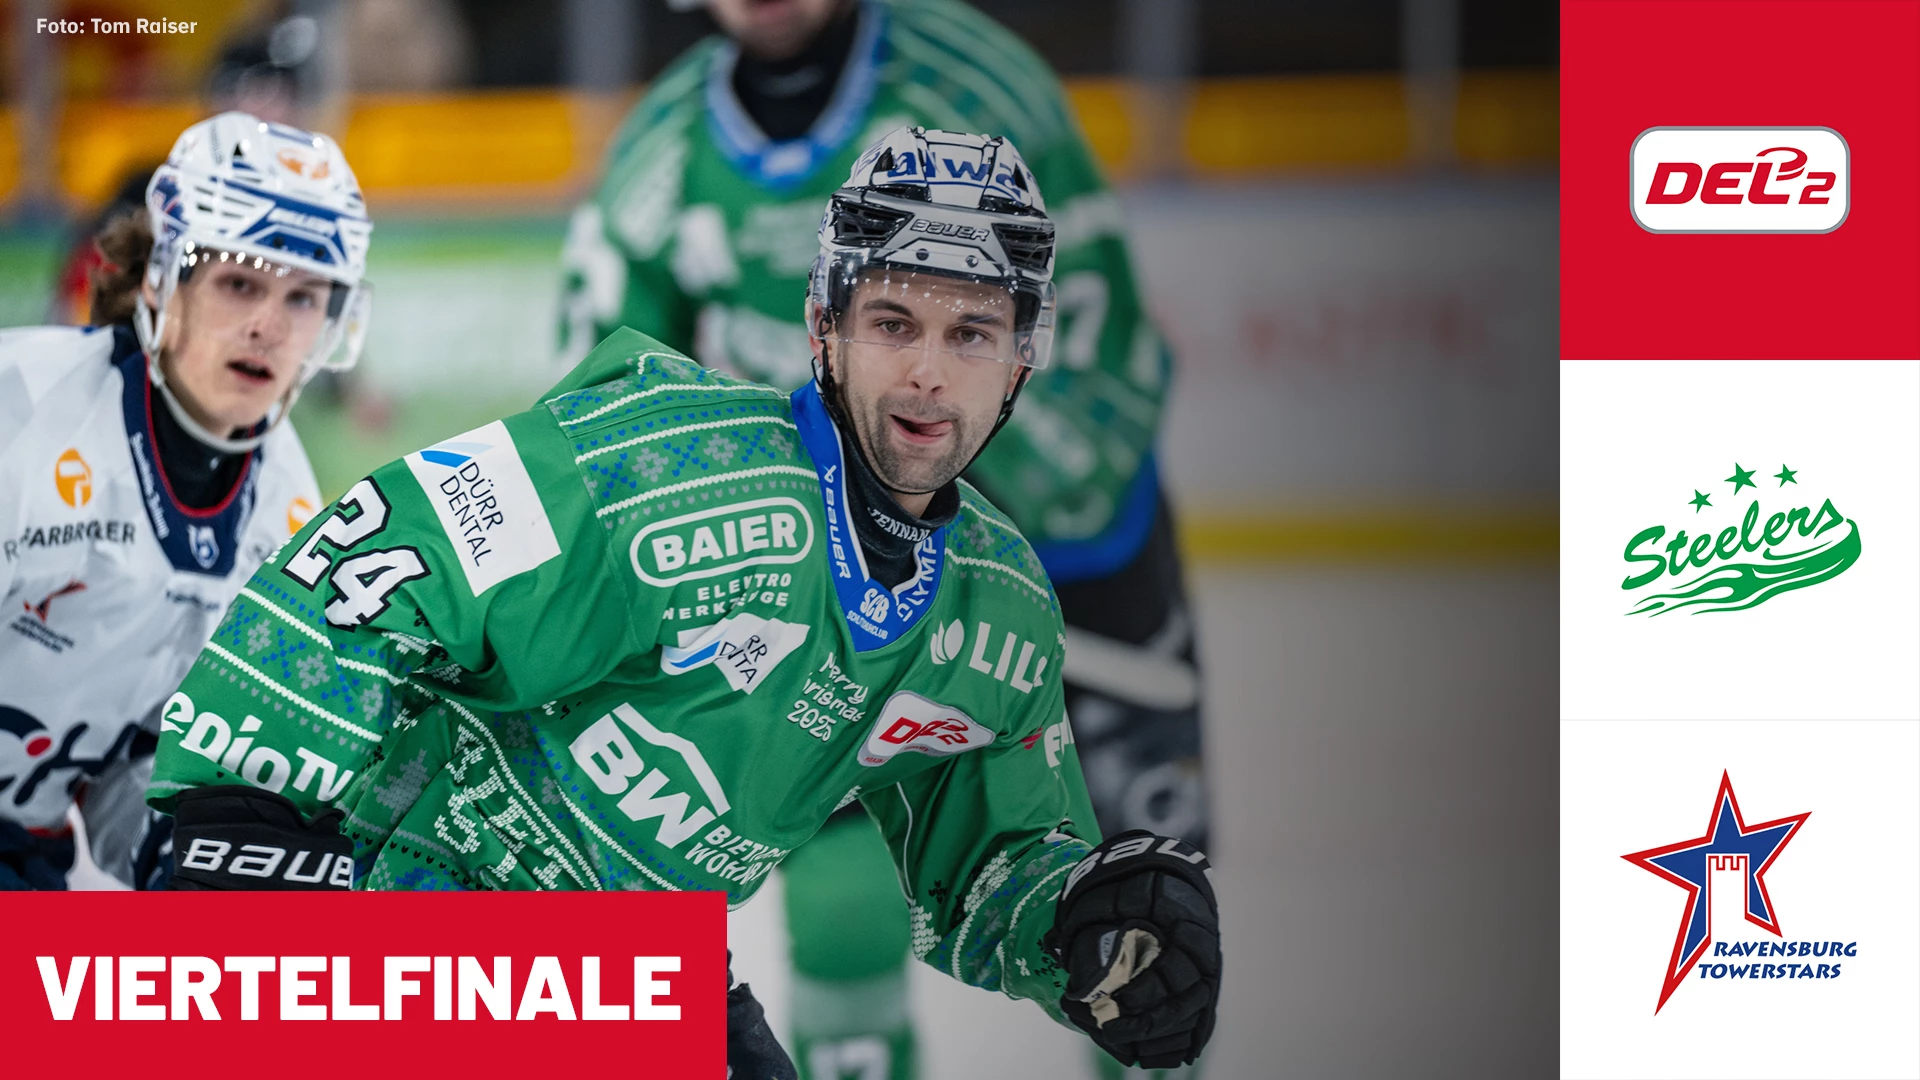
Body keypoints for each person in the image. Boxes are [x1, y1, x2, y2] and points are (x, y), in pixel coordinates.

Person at [148, 128, 1221, 1078]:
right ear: (825, 327)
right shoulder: (670, 460)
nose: (929, 375)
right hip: (418, 889)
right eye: (894, 322)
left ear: (1024, 357)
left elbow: (988, 863)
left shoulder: (998, 610)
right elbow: (381, 548)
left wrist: (1081, 922)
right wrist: (240, 823)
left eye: (972, 334)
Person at [557, 4, 1208, 1076]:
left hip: (1077, 550)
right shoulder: (657, 158)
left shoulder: (980, 87)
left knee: (1141, 927)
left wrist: (954, 530)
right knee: (842, 914)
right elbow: (608, 420)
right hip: (826, 572)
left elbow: (1101, 355)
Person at [0, 111, 372, 890]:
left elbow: (141, 760)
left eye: (305, 298)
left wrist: (190, 860)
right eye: (241, 283)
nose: (270, 327)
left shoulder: (288, 509)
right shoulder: (20, 412)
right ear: (161, 279)